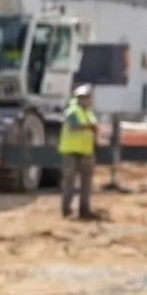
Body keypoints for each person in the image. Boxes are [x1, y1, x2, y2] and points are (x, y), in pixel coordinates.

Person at [56, 83, 99, 221]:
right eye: (83, 98)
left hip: (86, 152)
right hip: (71, 152)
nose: (86, 100)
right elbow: (74, 126)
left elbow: (93, 131)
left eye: (88, 97)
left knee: (86, 184)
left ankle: (84, 210)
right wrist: (89, 127)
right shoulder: (73, 111)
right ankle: (66, 210)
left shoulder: (89, 113)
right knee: (70, 182)